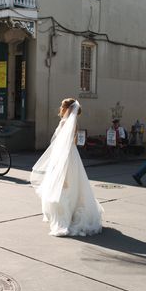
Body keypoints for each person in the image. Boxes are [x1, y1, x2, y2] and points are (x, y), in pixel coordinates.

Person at [30, 98, 103, 237]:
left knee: (63, 184)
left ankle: (64, 217)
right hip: (72, 154)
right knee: (75, 183)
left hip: (64, 154)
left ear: (67, 108)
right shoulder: (75, 122)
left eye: (62, 106)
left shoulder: (64, 122)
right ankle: (73, 212)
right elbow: (74, 141)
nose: (61, 108)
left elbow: (61, 142)